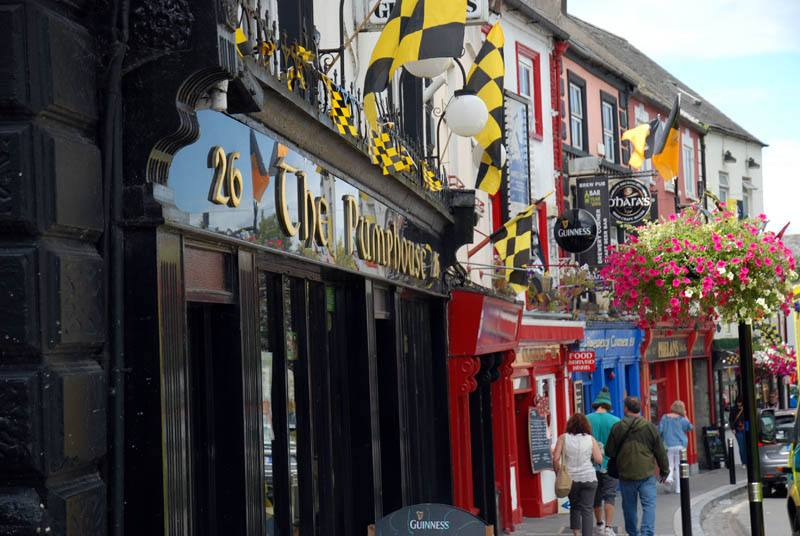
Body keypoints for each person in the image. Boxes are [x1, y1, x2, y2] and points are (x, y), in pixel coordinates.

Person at [605, 396, 669, 536]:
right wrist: (665, 470)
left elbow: (609, 451)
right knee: (649, 505)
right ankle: (647, 533)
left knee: (629, 507)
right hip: (646, 473)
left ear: (626, 409)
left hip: (626, 474)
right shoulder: (650, 428)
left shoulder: (617, 428)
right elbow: (660, 451)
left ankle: (633, 533)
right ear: (639, 409)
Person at [553, 413, 603, 536]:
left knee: (574, 506)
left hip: (571, 479)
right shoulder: (591, 439)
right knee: (587, 510)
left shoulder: (563, 438)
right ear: (586, 425)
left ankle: (576, 533)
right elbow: (599, 460)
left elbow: (555, 459)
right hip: (589, 478)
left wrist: (558, 473)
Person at [586, 387, 620, 536]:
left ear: (596, 404)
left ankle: (599, 524)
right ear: (608, 405)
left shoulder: (587, 419)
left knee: (596, 497)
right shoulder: (615, 421)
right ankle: (608, 527)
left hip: (591, 465)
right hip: (610, 465)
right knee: (610, 496)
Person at [658, 401, 694, 493]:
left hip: (668, 444)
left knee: (669, 464)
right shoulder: (682, 419)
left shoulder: (665, 418)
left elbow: (660, 430)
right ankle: (679, 489)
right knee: (680, 467)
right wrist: (685, 415)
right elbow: (690, 427)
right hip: (680, 445)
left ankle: (669, 479)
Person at [729, 395, 747, 468]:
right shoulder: (733, 409)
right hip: (738, 429)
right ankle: (744, 462)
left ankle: (747, 461)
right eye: (737, 402)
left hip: (745, 428)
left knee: (747, 446)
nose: (738, 404)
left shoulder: (745, 408)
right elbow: (731, 419)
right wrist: (733, 428)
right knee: (741, 446)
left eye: (740, 402)